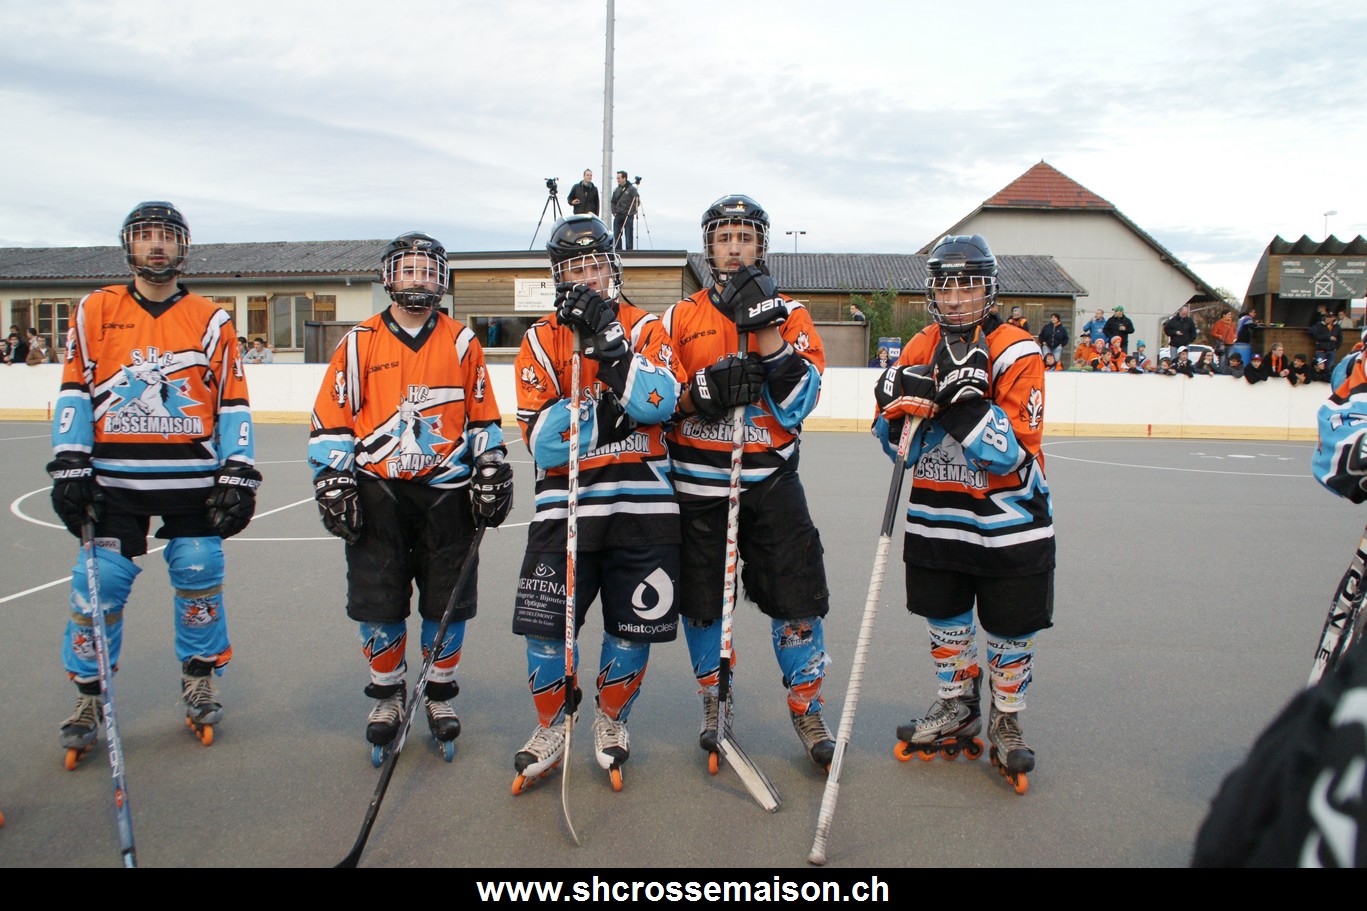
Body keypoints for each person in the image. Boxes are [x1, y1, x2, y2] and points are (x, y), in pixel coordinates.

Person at [48, 201, 259, 762]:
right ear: (129, 245)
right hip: (114, 480)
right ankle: (89, 694)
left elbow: (232, 399)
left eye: (167, 236)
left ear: (183, 247)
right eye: (146, 236)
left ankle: (199, 677)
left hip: (191, 477)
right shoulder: (96, 309)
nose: (157, 245)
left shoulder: (211, 318)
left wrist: (239, 471)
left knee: (199, 572)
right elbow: (75, 389)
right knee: (98, 584)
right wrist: (69, 463)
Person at [306, 231, 511, 765]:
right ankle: (388, 693)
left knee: (448, 601)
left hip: (447, 496)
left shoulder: (462, 341)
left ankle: (438, 692)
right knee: (379, 598)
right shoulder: (358, 342)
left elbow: (482, 417)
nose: (418, 278)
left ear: (441, 280)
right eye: (408, 269)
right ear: (389, 277)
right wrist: (332, 477)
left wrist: (490, 464)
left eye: (427, 269)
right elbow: (332, 418)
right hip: (379, 492)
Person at [872, 234, 1053, 795]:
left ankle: (1006, 717)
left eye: (967, 285)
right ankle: (957, 704)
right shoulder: (919, 346)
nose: (955, 299)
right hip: (937, 513)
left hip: (1010, 519)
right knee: (945, 616)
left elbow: (1011, 451)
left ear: (988, 289)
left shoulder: (1019, 350)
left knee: (1011, 625)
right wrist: (896, 409)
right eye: (945, 286)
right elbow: (895, 445)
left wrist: (960, 401)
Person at [662, 194, 836, 771]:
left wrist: (765, 330)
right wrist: (698, 395)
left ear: (762, 245)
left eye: (745, 237)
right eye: (724, 237)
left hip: (770, 483)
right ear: (709, 247)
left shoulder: (794, 314)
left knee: (798, 599)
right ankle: (715, 699)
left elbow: (799, 404)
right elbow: (655, 405)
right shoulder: (679, 318)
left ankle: (806, 706)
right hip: (698, 488)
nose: (734, 248)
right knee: (703, 605)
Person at [510, 214, 684, 792]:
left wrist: (611, 345)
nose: (586, 278)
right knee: (544, 629)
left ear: (614, 268)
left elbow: (661, 403)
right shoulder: (539, 340)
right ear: (557, 277)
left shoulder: (648, 327)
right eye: (573, 269)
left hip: (643, 509)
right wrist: (616, 412)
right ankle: (551, 725)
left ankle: (611, 720)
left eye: (595, 266)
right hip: (563, 511)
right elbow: (543, 442)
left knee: (633, 629)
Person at [610, 171, 639, 251]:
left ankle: (629, 251)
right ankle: (618, 250)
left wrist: (631, 212)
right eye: (617, 178)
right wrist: (614, 212)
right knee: (616, 234)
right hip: (618, 215)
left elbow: (637, 201)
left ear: (624, 178)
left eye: (619, 178)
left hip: (628, 215)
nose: (617, 180)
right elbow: (612, 201)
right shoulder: (616, 190)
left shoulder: (632, 189)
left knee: (628, 234)